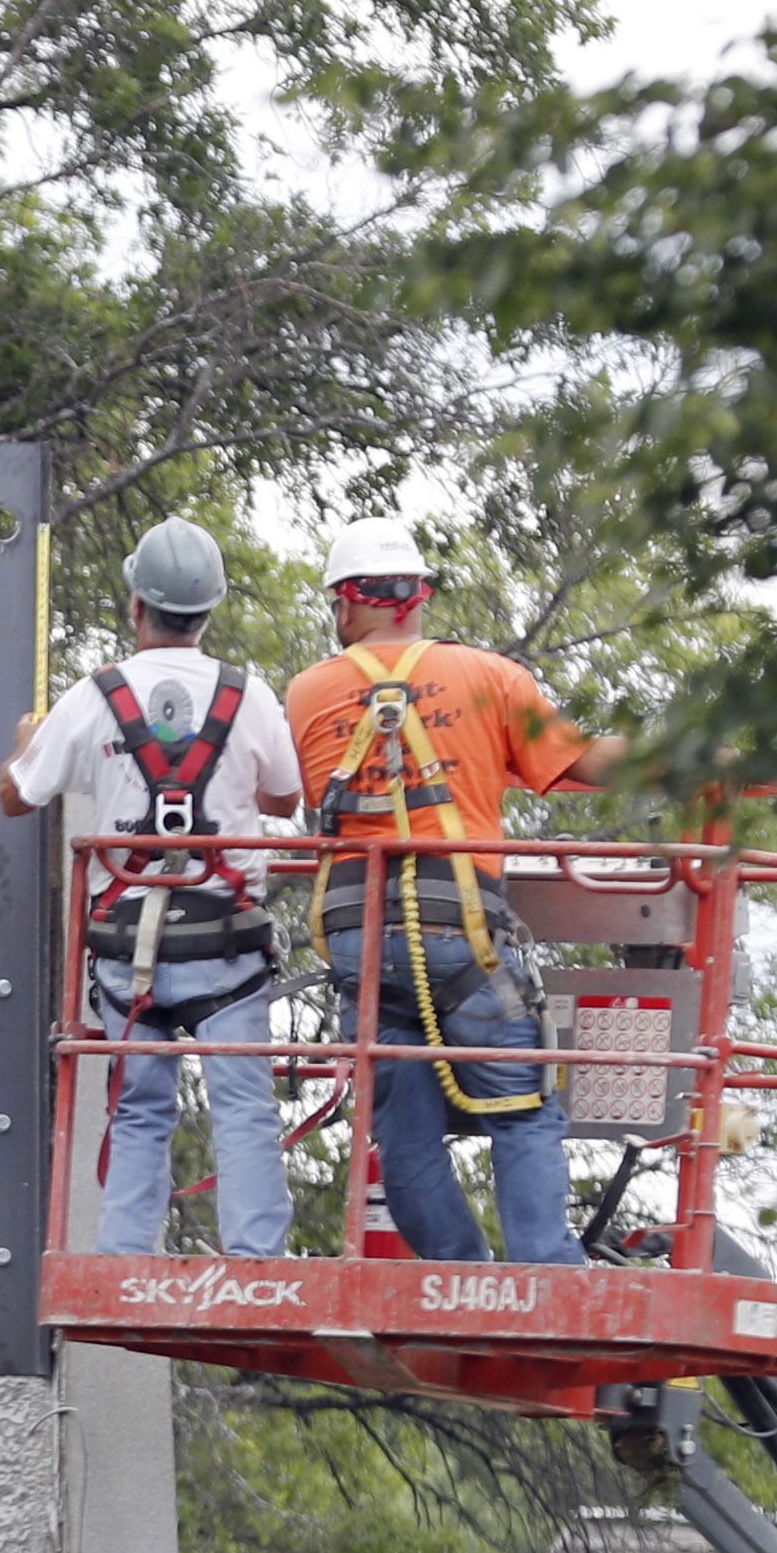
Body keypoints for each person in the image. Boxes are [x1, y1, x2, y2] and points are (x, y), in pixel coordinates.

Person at [279, 519, 625, 1263]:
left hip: (358, 941)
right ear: (419, 596)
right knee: (522, 1110)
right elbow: (586, 766)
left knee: (403, 1132)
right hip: (457, 931)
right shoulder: (489, 678)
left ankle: (459, 1276)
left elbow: (297, 796)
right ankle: (544, 1276)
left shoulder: (308, 694)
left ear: (345, 604)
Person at [1, 516, 300, 1255]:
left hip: (127, 952)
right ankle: (255, 1261)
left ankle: (125, 1254)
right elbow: (288, 799)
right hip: (223, 942)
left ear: (137, 606)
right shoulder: (248, 694)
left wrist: (21, 748)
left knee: (138, 1107)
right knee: (242, 1105)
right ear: (208, 612)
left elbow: (17, 797)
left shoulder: (96, 696)